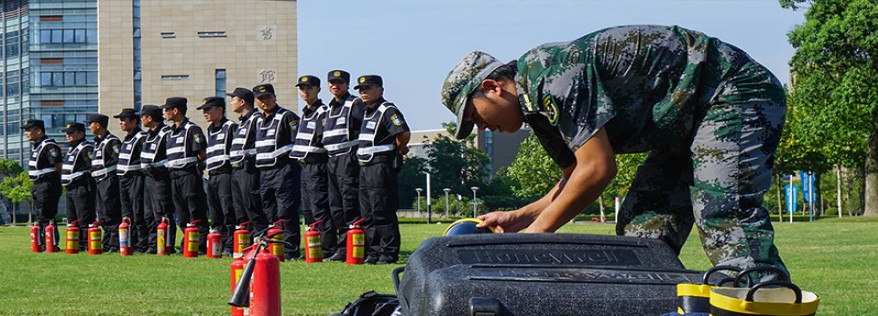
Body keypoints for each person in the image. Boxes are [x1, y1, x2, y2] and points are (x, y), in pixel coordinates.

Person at [441, 25, 788, 273]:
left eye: (474, 116)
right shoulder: (538, 114)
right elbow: (575, 177)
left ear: (492, 87)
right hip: (680, 127)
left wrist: (537, 233)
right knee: (643, 235)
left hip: (729, 91)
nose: (481, 127)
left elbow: (599, 170)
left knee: (724, 212)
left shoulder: (551, 74)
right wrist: (521, 217)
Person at [354, 75, 410, 264]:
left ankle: (388, 251)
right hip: (365, 167)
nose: (363, 92)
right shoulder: (366, 111)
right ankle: (374, 251)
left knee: (382, 209)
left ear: (380, 89)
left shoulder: (387, 110)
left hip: (380, 165)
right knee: (368, 212)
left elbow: (403, 132)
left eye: (368, 88)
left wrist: (400, 149)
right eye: (360, 89)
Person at [252, 83, 301, 260]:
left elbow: (297, 142)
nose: (264, 102)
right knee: (269, 211)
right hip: (264, 172)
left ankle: (290, 250)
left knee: (286, 211)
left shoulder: (287, 117)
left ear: (274, 97)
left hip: (283, 170)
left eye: (267, 98)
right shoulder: (257, 120)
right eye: (260, 99)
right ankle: (275, 248)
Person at [321, 70, 365, 261]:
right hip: (331, 160)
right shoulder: (329, 108)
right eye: (332, 82)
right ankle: (342, 247)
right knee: (335, 206)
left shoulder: (354, 104)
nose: (335, 86)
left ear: (347, 84)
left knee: (350, 204)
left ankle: (356, 246)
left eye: (339, 83)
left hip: (348, 159)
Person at [291, 75, 336, 257]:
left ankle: (327, 247)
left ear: (318, 89)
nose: (305, 91)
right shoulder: (304, 113)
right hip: (304, 166)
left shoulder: (322, 112)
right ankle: (313, 247)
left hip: (317, 165)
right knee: (308, 209)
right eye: (302, 88)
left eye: (309, 88)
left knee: (319, 207)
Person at [161, 96, 209, 253]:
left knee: (194, 209)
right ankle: (188, 242)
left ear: (175, 110)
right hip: (174, 176)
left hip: (188, 175)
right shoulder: (169, 132)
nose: (165, 112)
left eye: (167, 109)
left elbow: (201, 153)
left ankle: (200, 245)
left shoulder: (191, 129)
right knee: (181, 214)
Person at [197, 96, 238, 256]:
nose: (205, 113)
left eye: (208, 109)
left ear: (220, 110)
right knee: (215, 213)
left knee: (228, 210)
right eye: (203, 110)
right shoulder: (210, 129)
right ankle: (218, 244)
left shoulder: (230, 127)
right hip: (212, 174)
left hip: (226, 174)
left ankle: (230, 245)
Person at [227, 87, 269, 236]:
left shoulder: (256, 119)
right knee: (240, 209)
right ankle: (248, 242)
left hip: (249, 170)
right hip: (237, 170)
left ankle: (262, 239)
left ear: (242, 102)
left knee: (253, 206)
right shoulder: (242, 123)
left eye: (233, 99)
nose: (231, 103)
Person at [140, 104, 176, 253]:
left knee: (162, 212)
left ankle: (167, 244)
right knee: (149, 214)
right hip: (148, 178)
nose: (141, 120)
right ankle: (153, 244)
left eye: (143, 117)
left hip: (160, 178)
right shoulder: (149, 134)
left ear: (150, 118)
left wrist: (157, 168)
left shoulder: (166, 133)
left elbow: (173, 156)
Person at [23, 119, 62, 251]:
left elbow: (58, 165)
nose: (26, 133)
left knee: (47, 215)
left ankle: (51, 244)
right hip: (38, 184)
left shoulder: (49, 145)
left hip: (47, 184)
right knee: (40, 215)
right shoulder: (37, 146)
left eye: (29, 130)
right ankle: (44, 243)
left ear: (39, 131)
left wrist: (52, 181)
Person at [114, 108, 149, 254]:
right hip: (124, 179)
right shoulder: (127, 139)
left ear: (134, 121)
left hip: (135, 178)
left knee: (137, 211)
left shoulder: (141, 137)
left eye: (123, 120)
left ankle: (142, 243)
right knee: (127, 213)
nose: (121, 123)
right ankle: (131, 242)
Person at [88, 114, 123, 252]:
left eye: (91, 124)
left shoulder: (112, 142)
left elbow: (118, 160)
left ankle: (114, 244)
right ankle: (107, 242)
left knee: (111, 211)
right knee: (102, 213)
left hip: (109, 180)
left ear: (98, 125)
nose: (89, 127)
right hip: (99, 181)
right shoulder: (97, 143)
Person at [61, 122, 96, 249]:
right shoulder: (72, 148)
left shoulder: (85, 147)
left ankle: (86, 244)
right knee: (73, 218)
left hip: (81, 187)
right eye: (67, 133)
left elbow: (92, 166)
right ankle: (76, 243)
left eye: (71, 133)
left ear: (80, 134)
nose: (68, 135)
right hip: (70, 188)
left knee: (84, 217)